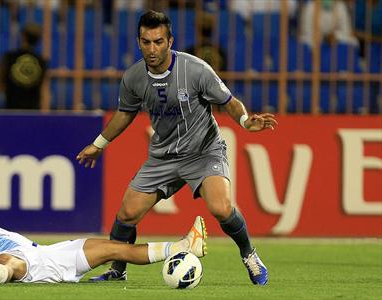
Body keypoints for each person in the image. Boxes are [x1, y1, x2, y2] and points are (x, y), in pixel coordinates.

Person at [76, 10, 277, 285]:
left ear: (170, 41)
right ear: (139, 43)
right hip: (163, 157)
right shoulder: (134, 77)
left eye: (158, 41)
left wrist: (244, 120)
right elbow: (125, 113)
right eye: (146, 42)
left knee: (221, 208)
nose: (152, 48)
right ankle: (117, 270)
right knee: (126, 215)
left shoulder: (196, 69)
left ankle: (249, 254)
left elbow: (229, 100)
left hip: (204, 151)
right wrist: (98, 145)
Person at [0, 186, 207, 284]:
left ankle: (185, 246)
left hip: (49, 253)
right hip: (17, 261)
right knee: (12, 260)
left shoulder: (2, 230)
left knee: (115, 248)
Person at [0, 23, 48, 110]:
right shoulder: (42, 61)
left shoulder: (9, 57)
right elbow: (44, 89)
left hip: (11, 109)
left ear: (23, 37)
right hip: (33, 111)